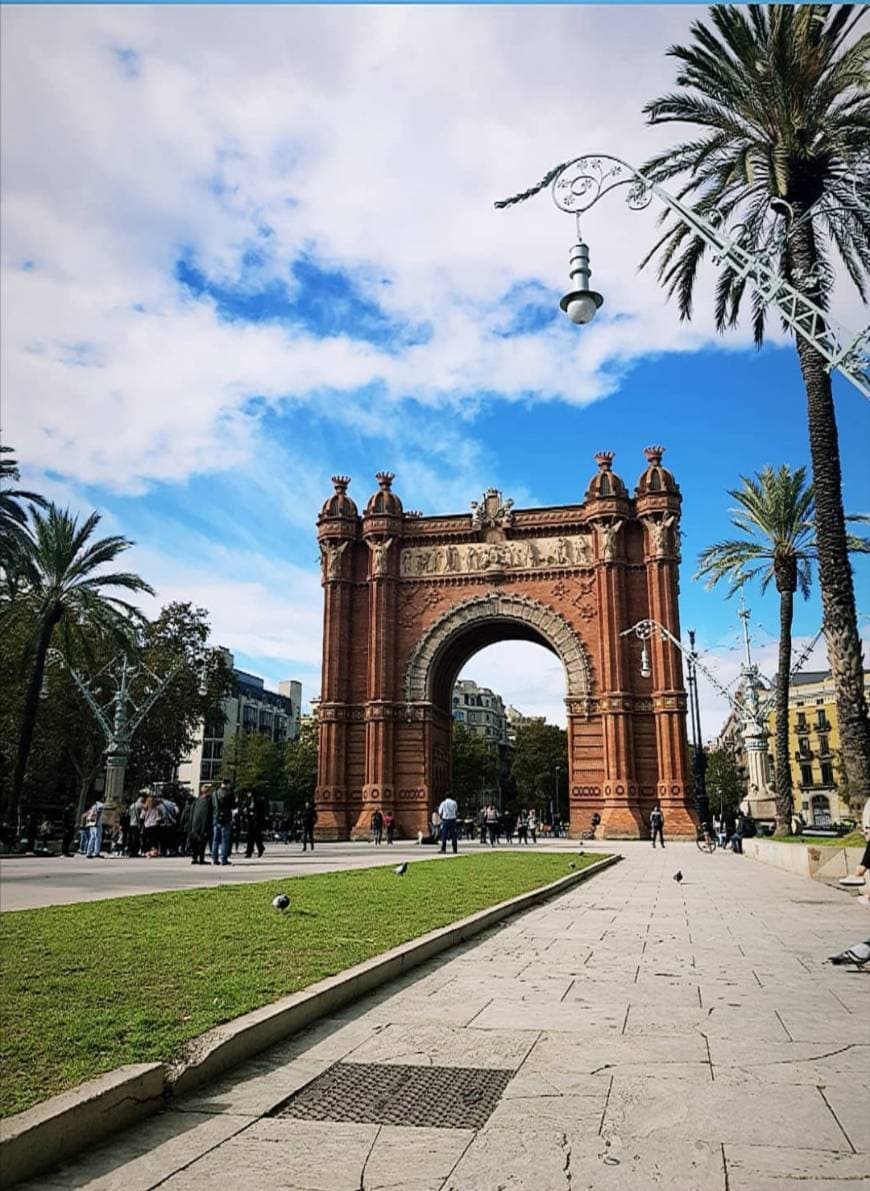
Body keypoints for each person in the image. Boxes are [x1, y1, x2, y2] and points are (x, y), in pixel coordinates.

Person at [211, 780, 235, 866]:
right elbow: (233, 805)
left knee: (215, 840)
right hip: (226, 818)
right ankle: (223, 859)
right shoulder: (229, 793)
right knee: (225, 840)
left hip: (216, 817)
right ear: (227, 784)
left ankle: (214, 858)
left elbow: (213, 805)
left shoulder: (215, 793)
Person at [188, 784, 214, 864]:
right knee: (202, 842)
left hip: (195, 824)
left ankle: (195, 858)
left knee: (195, 842)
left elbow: (192, 812)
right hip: (204, 824)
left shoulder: (196, 800)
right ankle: (201, 859)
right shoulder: (209, 801)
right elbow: (209, 814)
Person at [245, 789, 268, 859]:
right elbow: (245, 808)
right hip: (250, 820)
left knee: (257, 836)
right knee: (250, 836)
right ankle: (249, 851)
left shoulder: (259, 801)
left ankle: (259, 848)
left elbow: (262, 811)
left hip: (257, 820)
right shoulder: (248, 801)